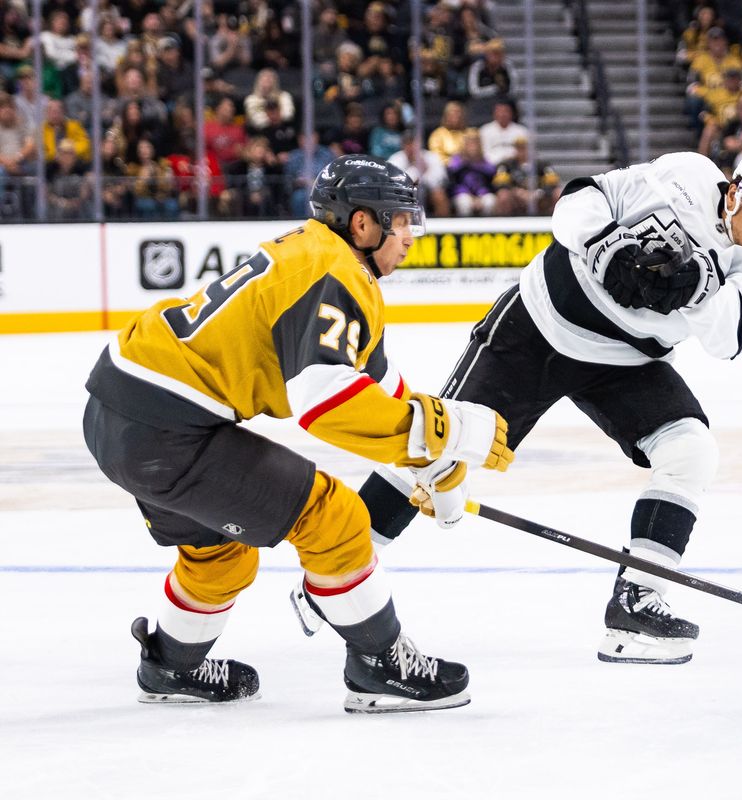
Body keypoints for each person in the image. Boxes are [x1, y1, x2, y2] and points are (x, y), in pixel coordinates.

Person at [339, 144, 742, 666]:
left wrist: (697, 282)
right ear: (737, 189)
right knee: (437, 450)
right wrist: (606, 246)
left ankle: (638, 600)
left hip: (625, 361)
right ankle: (339, 566)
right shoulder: (686, 174)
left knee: (690, 452)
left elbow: (727, 339)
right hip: (538, 329)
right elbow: (581, 198)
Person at [80, 155, 514, 712]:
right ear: (363, 223)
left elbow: (377, 385)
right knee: (333, 517)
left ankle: (170, 665)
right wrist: (443, 430)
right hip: (167, 429)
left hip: (119, 407)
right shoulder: (338, 275)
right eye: (401, 221)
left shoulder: (319, 253)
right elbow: (328, 407)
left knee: (221, 557)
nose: (410, 235)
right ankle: (379, 664)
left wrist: (434, 459)